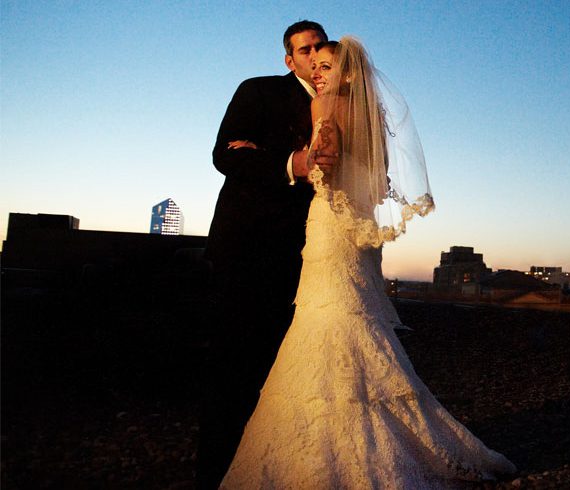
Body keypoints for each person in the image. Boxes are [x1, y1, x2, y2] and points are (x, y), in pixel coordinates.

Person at [220, 37, 516, 488]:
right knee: (354, 319)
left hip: (330, 227)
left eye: (325, 66)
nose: (318, 73)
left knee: (328, 323)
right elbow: (376, 185)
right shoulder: (372, 115)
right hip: (358, 229)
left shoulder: (324, 107)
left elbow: (323, 165)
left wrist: (274, 155)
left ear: (348, 73)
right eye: (314, 64)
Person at [198, 20, 336, 489]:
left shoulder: (350, 105)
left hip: (313, 255)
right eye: (305, 49)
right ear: (289, 59)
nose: (314, 56)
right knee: (234, 367)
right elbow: (226, 155)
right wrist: (292, 161)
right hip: (249, 249)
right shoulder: (257, 91)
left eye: (321, 47)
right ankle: (218, 473)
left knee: (293, 368)